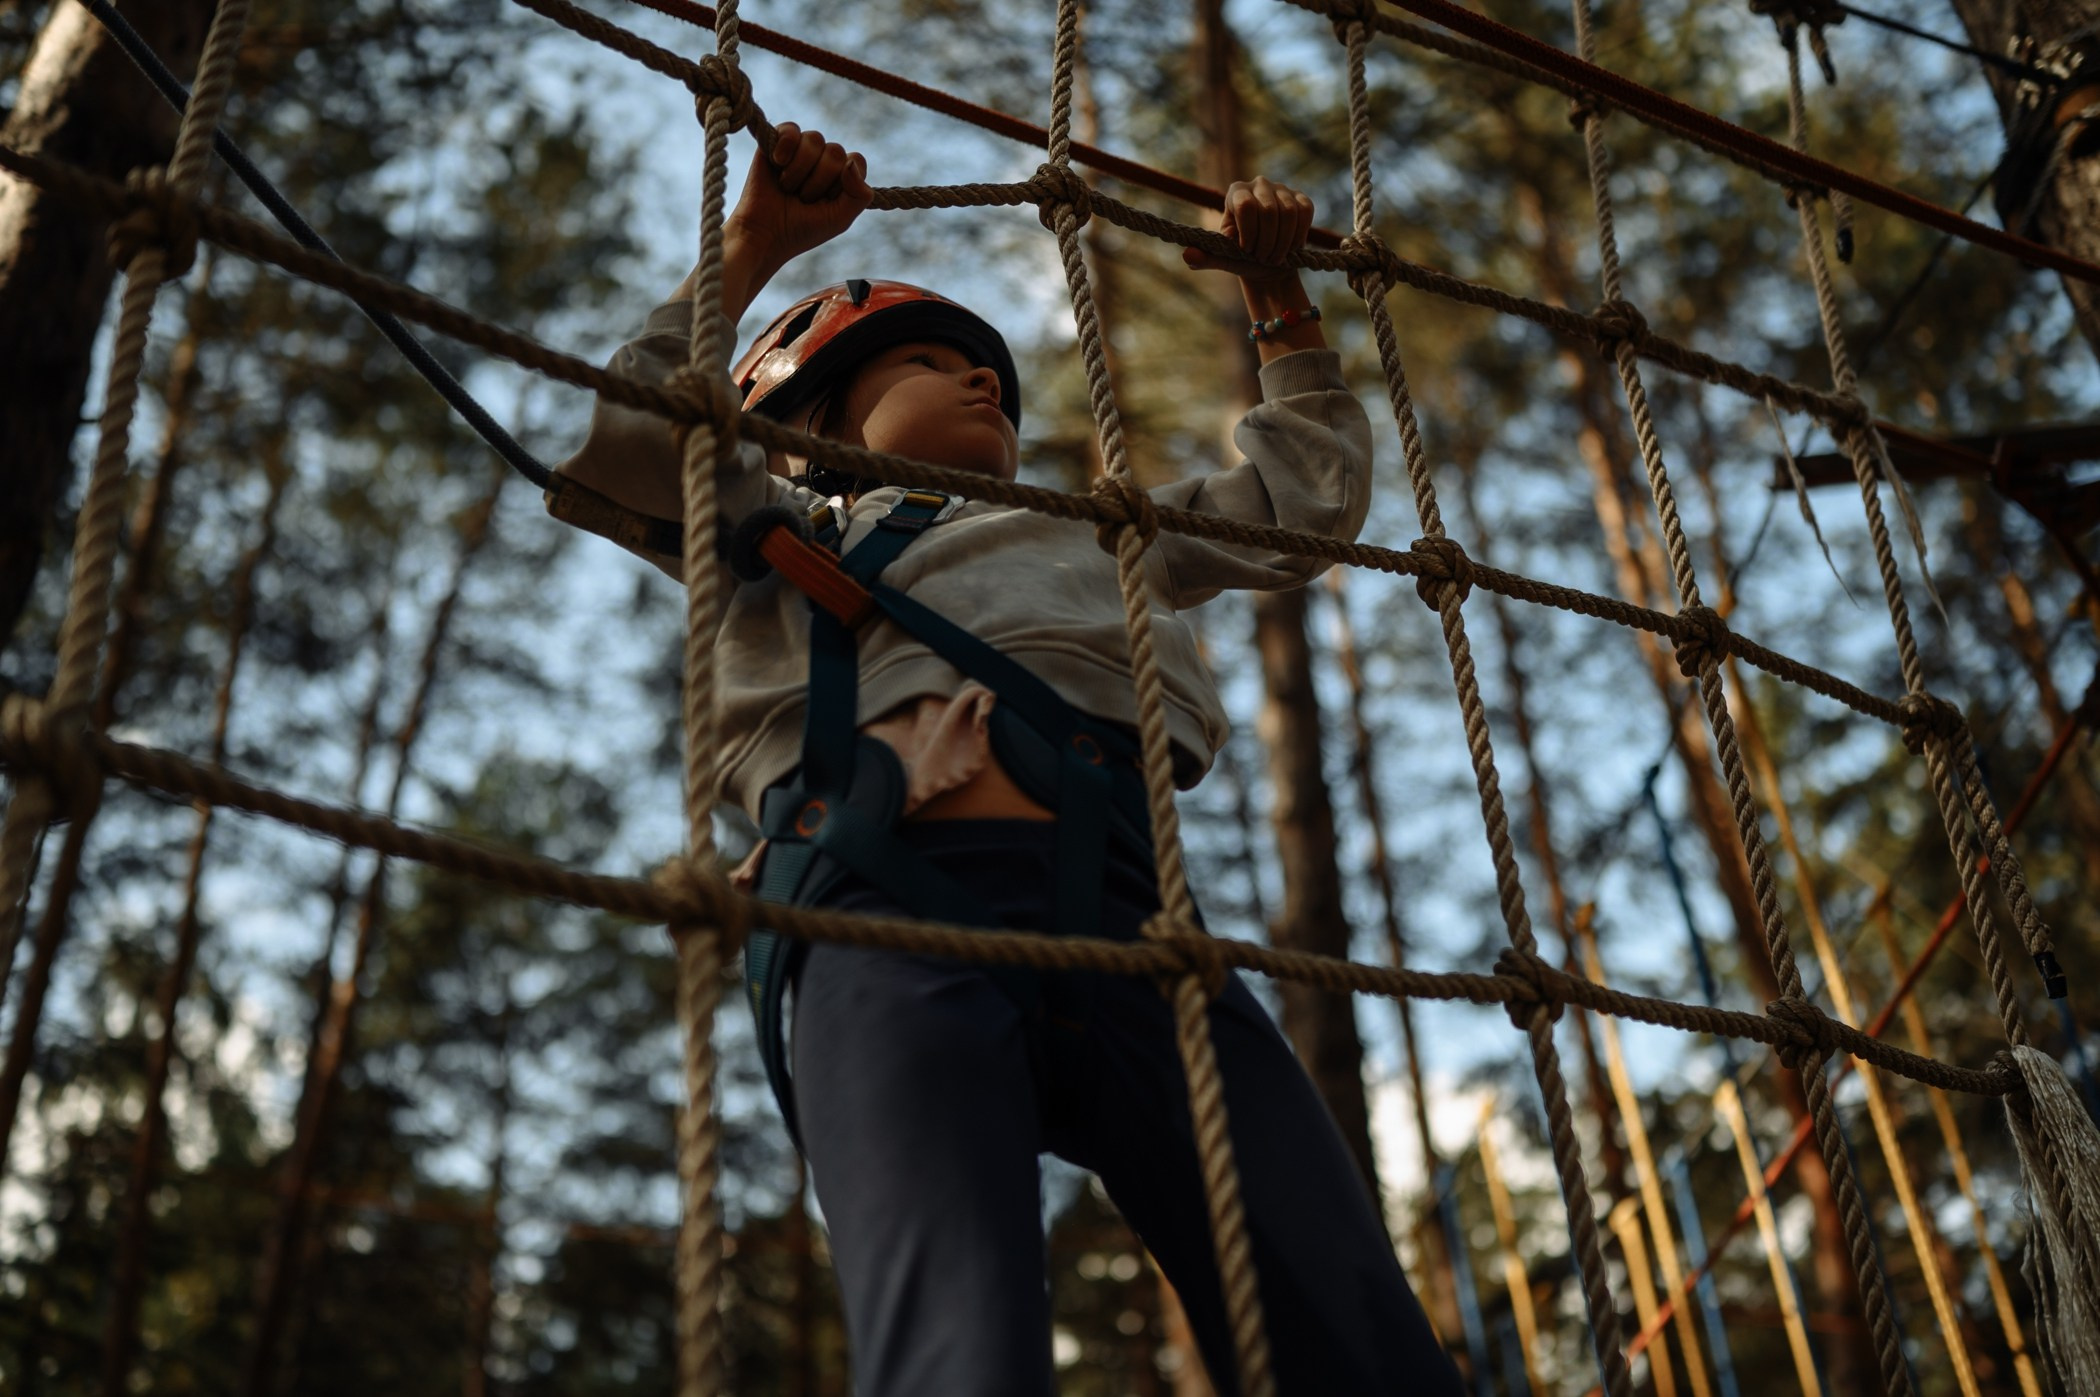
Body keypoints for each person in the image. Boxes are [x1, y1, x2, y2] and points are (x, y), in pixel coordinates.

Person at [551, 122, 1462, 1396]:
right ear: (804, 420)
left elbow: (1300, 506)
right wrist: (756, 243)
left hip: (1141, 935)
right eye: (931, 363)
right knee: (958, 1349)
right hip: (882, 919)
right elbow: (643, 427)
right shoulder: (765, 531)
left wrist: (1278, 302)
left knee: (1353, 1321)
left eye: (988, 374)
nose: (984, 384)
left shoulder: (1103, 535)